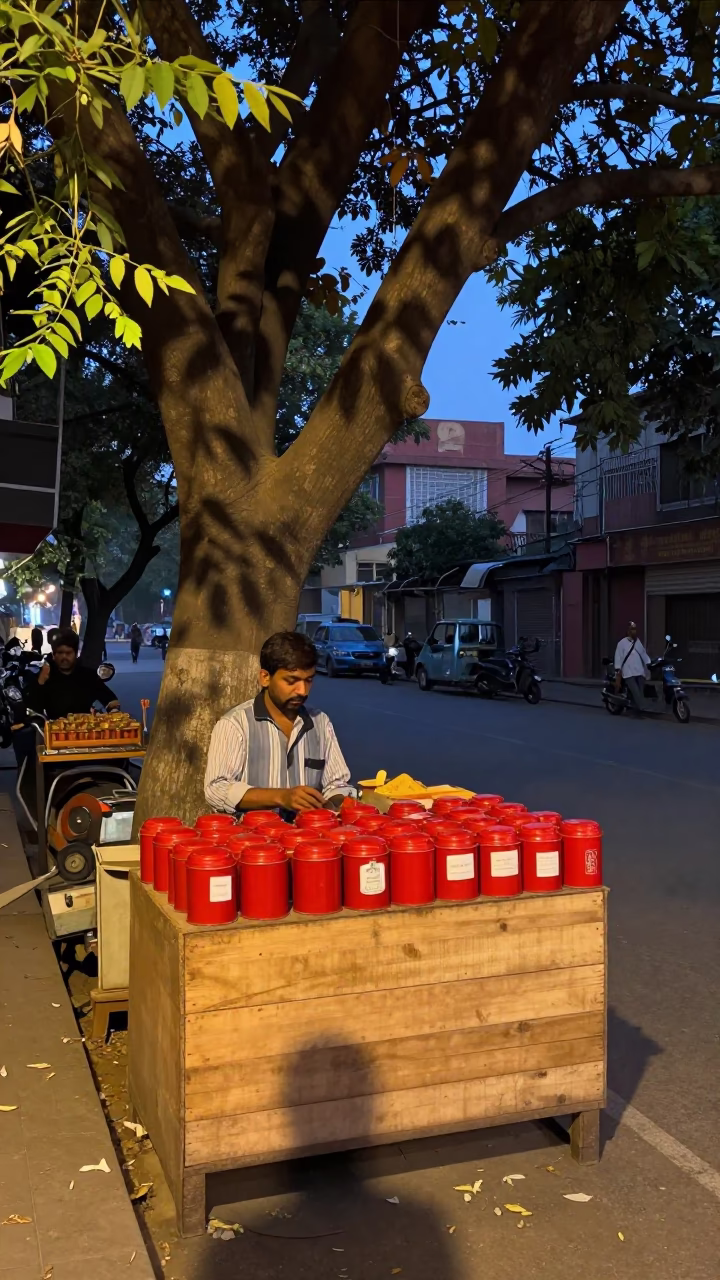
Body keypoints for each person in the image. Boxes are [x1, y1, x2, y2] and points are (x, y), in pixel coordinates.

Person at [205, 630, 355, 815]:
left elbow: (337, 784)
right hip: (252, 840)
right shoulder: (236, 724)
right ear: (265, 678)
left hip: (309, 838)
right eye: (291, 681)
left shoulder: (320, 723)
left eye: (308, 680)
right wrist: (281, 797)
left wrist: (335, 803)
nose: (302, 691)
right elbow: (216, 789)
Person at [27, 627, 120, 720]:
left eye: (68, 653)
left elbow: (110, 699)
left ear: (75, 654)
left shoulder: (87, 676)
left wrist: (114, 710)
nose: (64, 657)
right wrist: (41, 681)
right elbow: (33, 709)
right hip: (54, 730)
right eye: (60, 653)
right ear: (53, 655)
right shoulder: (45, 676)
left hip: (85, 729)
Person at [614, 621, 651, 715]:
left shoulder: (637, 641)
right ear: (628, 631)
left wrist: (648, 663)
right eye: (632, 629)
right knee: (635, 690)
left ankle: (635, 708)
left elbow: (643, 653)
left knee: (640, 690)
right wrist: (618, 670)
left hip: (639, 670)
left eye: (635, 629)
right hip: (628, 672)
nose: (634, 631)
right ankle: (642, 708)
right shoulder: (621, 643)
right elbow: (618, 657)